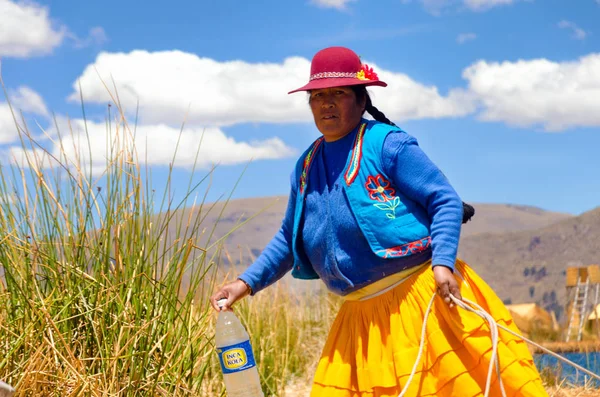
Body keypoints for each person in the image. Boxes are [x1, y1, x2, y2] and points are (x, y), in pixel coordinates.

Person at [211, 46, 547, 397]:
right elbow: (288, 237)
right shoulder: (306, 166)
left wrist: (443, 263)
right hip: (358, 319)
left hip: (419, 300)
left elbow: (443, 199)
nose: (327, 104)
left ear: (360, 100)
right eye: (318, 96)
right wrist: (244, 283)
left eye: (338, 93)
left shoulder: (387, 145)